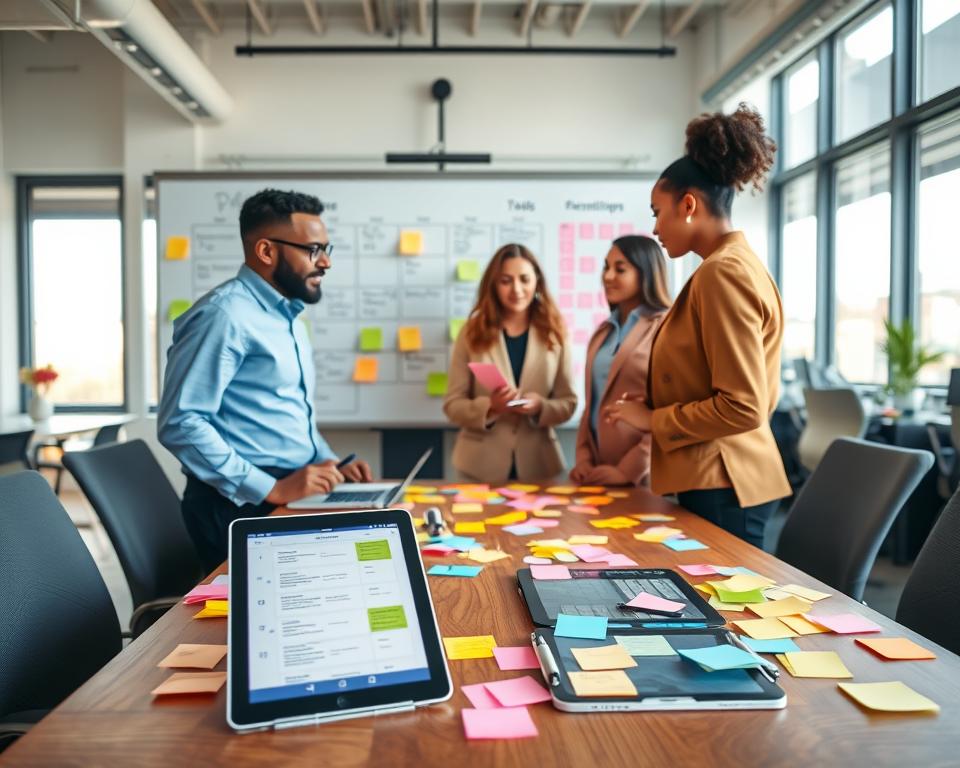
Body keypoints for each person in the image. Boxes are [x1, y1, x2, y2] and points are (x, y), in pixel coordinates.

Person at [604, 104, 791, 549]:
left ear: (688, 205)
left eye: (657, 211)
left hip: (725, 482)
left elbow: (743, 405)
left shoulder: (723, 273)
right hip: (717, 477)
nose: (655, 227)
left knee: (724, 614)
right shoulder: (728, 267)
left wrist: (651, 419)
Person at [159, 188, 372, 571]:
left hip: (289, 493)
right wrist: (270, 487)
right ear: (266, 251)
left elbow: (284, 411)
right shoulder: (224, 316)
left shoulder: (286, 316)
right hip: (241, 507)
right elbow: (180, 422)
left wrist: (328, 461)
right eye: (313, 250)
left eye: (328, 249)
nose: (325, 262)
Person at [444, 243, 577, 484]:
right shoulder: (471, 332)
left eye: (524, 279)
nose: (516, 289)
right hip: (478, 468)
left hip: (540, 466)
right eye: (505, 281)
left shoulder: (555, 332)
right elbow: (452, 405)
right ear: (493, 285)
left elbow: (568, 403)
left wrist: (540, 407)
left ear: (537, 281)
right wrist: (491, 407)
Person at [570, 235, 670, 486]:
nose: (608, 276)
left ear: (646, 272)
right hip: (599, 471)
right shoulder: (604, 331)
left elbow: (668, 411)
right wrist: (583, 458)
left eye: (620, 269)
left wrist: (629, 470)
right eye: (606, 267)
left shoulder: (666, 328)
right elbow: (592, 401)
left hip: (644, 475)